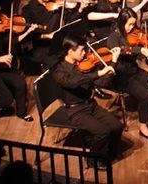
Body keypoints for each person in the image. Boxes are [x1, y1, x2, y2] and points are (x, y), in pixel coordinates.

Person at [52, 36, 123, 171]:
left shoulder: (84, 65)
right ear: (69, 51)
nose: (85, 53)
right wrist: (98, 73)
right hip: (75, 111)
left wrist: (113, 63)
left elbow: (102, 83)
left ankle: (109, 153)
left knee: (117, 126)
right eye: (81, 51)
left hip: (90, 105)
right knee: (103, 132)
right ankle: (92, 160)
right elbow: (73, 82)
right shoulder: (58, 70)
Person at [105, 9, 148, 140]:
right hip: (121, 76)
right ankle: (143, 127)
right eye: (128, 24)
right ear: (121, 22)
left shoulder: (133, 35)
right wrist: (138, 49)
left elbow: (147, 58)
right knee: (144, 95)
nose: (131, 28)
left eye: (133, 25)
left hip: (134, 71)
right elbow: (122, 51)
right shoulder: (113, 38)